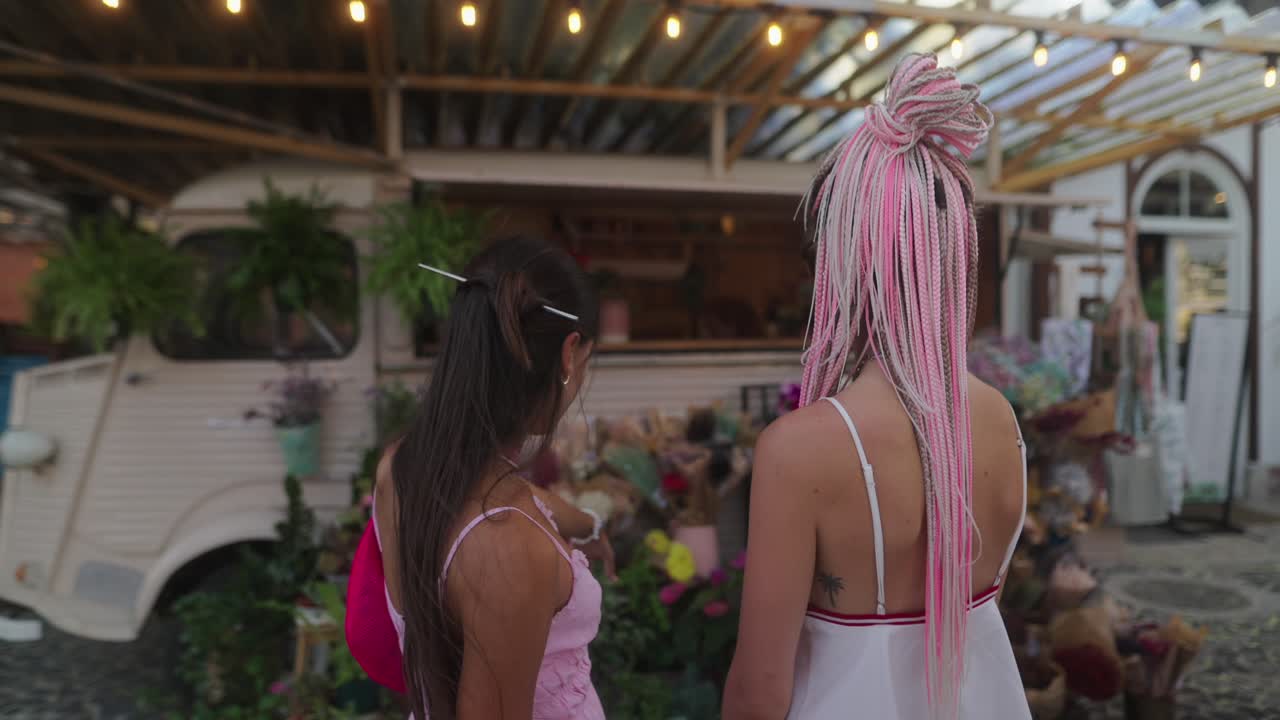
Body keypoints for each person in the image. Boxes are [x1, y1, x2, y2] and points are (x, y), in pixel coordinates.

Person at [723, 54, 1030, 720]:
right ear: (953, 253)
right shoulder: (1001, 420)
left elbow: (758, 693)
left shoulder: (797, 451)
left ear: (842, 259)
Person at [355, 236, 613, 719]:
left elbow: (521, 497)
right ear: (569, 354)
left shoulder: (404, 465)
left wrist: (587, 525)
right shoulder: (507, 542)